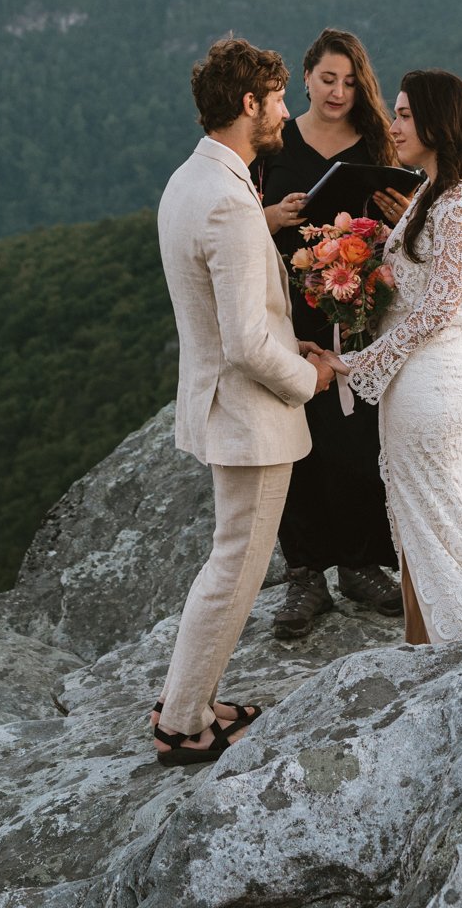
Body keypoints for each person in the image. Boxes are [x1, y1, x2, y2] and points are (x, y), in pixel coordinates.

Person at [147, 38, 337, 766]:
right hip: (249, 417)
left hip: (215, 404)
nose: (287, 111)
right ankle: (184, 721)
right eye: (279, 98)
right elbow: (247, 344)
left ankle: (191, 701)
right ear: (248, 105)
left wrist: (270, 223)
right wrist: (310, 378)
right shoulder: (228, 201)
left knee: (229, 561)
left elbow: (220, 254)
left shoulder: (193, 180)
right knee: (235, 568)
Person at [312, 69, 462, 644]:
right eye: (396, 113)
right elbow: (420, 280)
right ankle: (422, 641)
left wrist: (357, 364)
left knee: (443, 513)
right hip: (411, 383)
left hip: (433, 384)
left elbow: (437, 310)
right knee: (416, 518)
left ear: (440, 122)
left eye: (405, 115)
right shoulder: (430, 191)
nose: (393, 126)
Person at [251, 29, 407, 639]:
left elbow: (403, 227)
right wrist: (272, 217)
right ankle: (305, 571)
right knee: (296, 433)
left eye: (349, 81)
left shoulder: (375, 142)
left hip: (358, 303)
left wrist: (397, 217)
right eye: (326, 79)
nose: (338, 91)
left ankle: (361, 563)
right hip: (287, 307)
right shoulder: (274, 142)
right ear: (308, 79)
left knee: (358, 430)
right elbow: (234, 218)